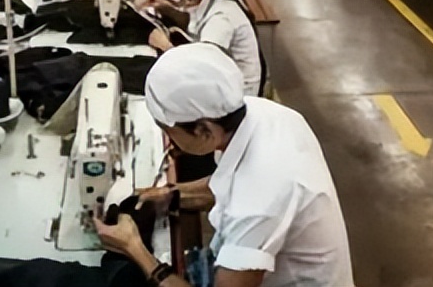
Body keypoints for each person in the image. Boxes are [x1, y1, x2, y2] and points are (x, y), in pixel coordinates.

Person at [97, 44, 352, 287]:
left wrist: (134, 248)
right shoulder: (263, 114)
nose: (170, 141)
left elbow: (250, 195)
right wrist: (172, 194)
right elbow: (228, 181)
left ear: (204, 131)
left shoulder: (257, 205)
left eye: (169, 131)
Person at [146, 0, 262, 97]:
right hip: (224, 81)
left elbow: (202, 73)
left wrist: (166, 46)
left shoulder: (221, 21)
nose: (175, 1)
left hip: (237, 96)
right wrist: (165, 6)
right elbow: (193, 16)